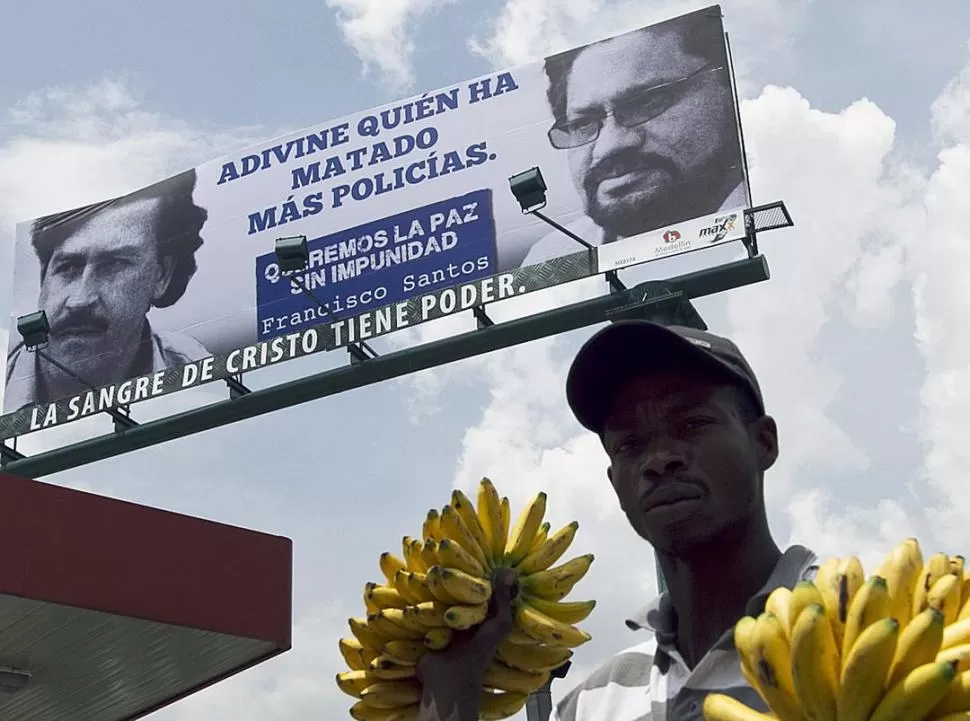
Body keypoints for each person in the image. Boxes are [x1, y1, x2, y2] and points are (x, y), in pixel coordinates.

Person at [416, 320, 817, 721]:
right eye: (630, 444)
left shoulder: (856, 641)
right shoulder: (591, 705)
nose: (659, 459)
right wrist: (452, 688)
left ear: (764, 442)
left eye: (692, 424)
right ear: (614, 481)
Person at [521, 9, 748, 268]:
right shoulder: (554, 255)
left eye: (647, 102)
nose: (610, 146)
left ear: (725, 87)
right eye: (582, 124)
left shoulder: (784, 194)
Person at [4, 169, 210, 409]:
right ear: (44, 276)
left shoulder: (193, 365)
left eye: (114, 264)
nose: (80, 300)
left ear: (161, 275)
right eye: (67, 267)